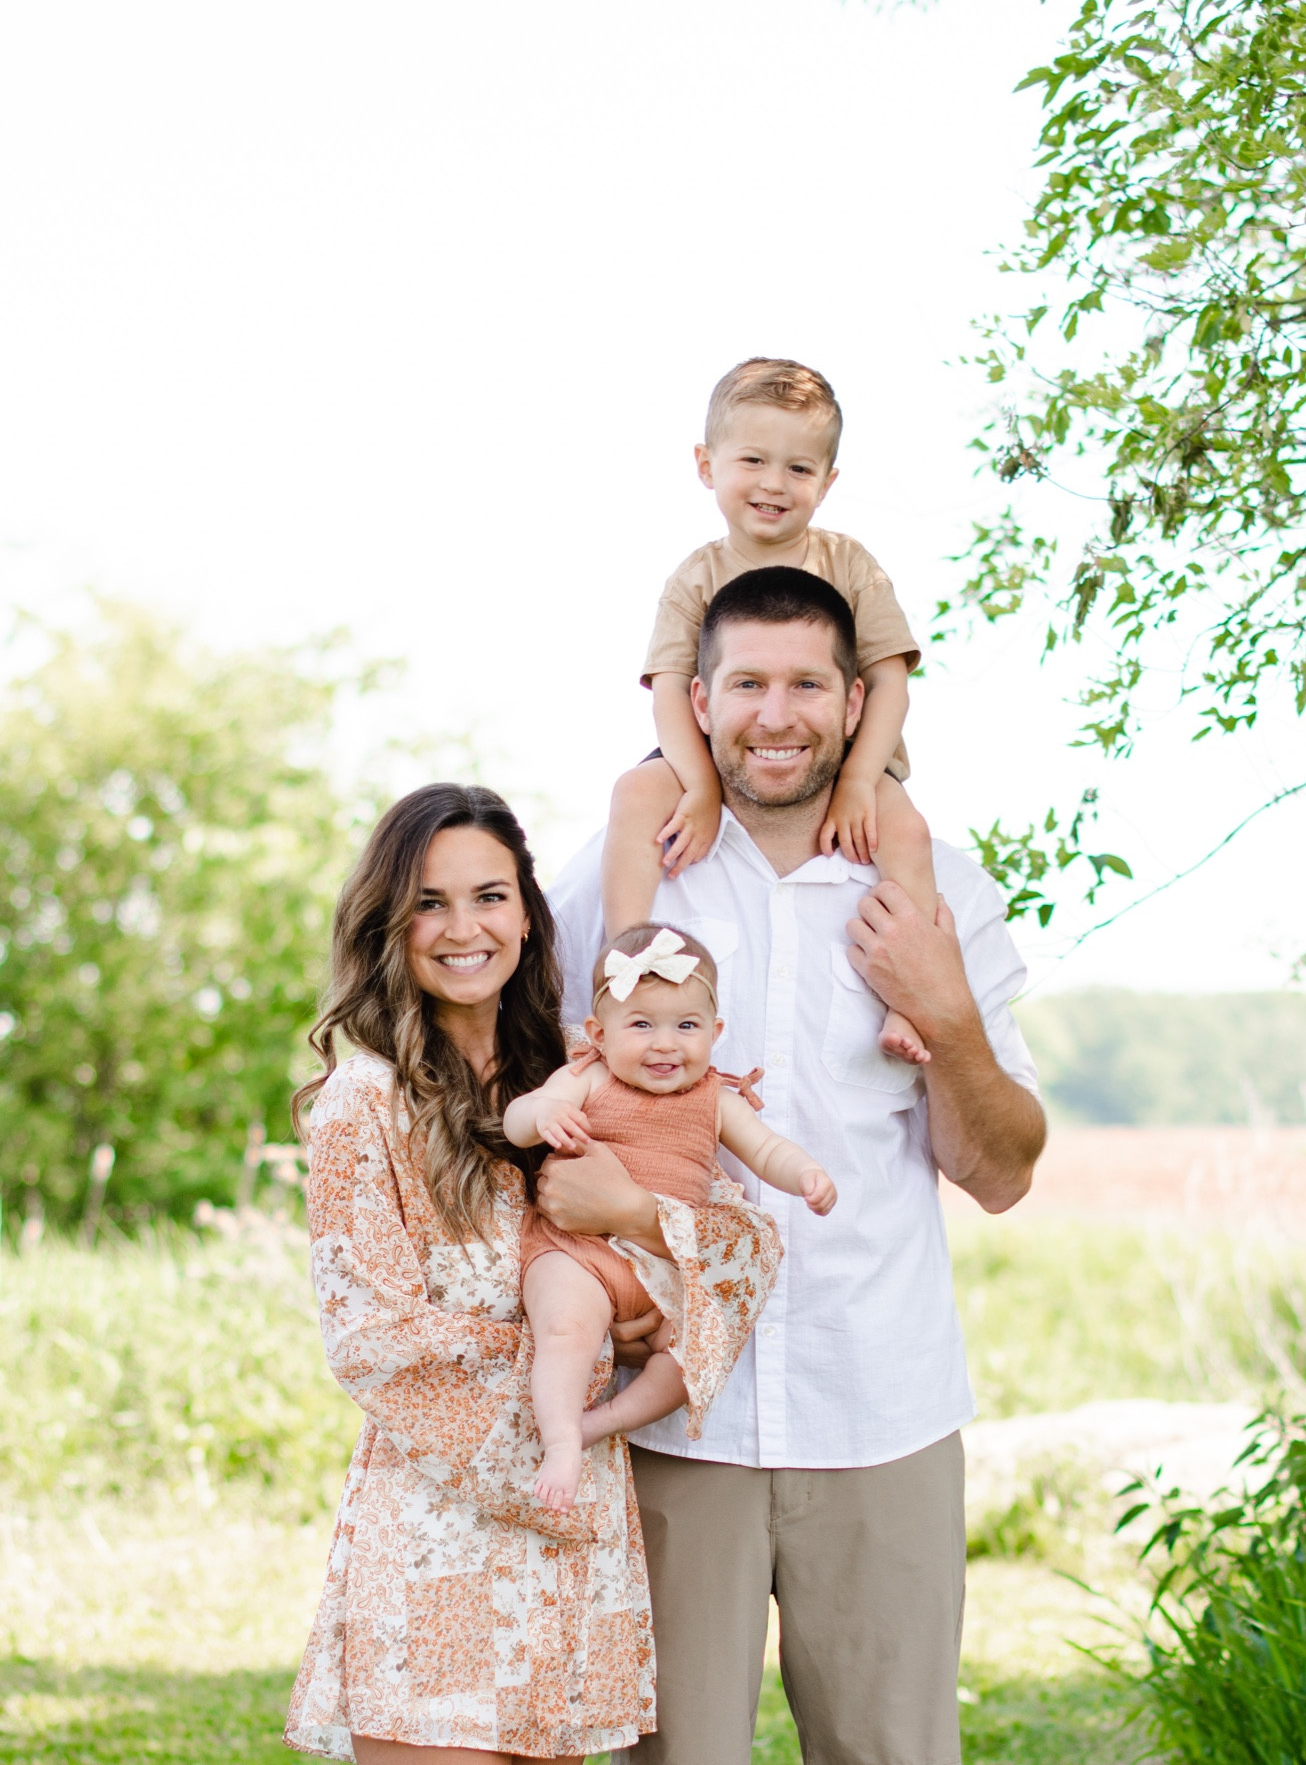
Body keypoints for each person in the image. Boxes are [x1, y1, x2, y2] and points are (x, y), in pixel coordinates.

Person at [549, 570, 1047, 1765]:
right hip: (671, 1417)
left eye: (807, 684)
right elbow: (529, 1099)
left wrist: (947, 1014)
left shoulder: (937, 889)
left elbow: (1004, 1170)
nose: (778, 714)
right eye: (749, 683)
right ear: (700, 702)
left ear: (856, 699)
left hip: (880, 1405)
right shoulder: (616, 879)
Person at [283, 783, 781, 1765]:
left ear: (527, 911)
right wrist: (581, 1353)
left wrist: (638, 1244)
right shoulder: (364, 1100)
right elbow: (375, 1336)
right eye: (429, 901)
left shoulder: (590, 1065)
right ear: (389, 920)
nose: (463, 927)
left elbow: (744, 1244)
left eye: (490, 895)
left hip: (567, 1549)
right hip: (441, 1534)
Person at [599, 355, 933, 1062]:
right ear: (706, 463)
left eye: (799, 469)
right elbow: (669, 688)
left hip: (848, 750)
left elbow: (890, 680)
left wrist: (857, 780)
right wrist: (699, 788)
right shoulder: (696, 575)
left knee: (906, 833)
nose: (774, 484)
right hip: (713, 749)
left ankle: (915, 998)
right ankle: (620, 975)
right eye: (753, 459)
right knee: (635, 794)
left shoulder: (850, 564)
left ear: (828, 481)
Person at [504, 921, 836, 1512]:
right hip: (579, 1251)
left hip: (663, 1266)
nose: (665, 1044)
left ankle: (600, 1422)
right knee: (566, 1329)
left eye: (686, 1026)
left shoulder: (717, 1098)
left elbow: (766, 1150)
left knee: (693, 1355)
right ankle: (559, 1440)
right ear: (598, 1036)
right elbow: (520, 1116)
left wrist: (806, 1173)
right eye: (641, 1025)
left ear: (716, 1032)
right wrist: (544, 1117)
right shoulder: (587, 1077)